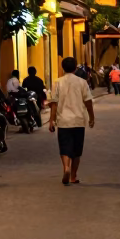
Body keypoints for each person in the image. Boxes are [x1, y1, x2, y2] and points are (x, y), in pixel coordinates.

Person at [49, 56, 95, 185]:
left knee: (64, 147)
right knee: (76, 149)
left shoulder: (57, 82)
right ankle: (73, 176)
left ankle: (66, 168)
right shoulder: (82, 82)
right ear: (75, 68)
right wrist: (91, 117)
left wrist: (51, 120)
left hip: (63, 121)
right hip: (78, 120)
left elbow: (54, 103)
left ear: (62, 68)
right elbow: (88, 101)